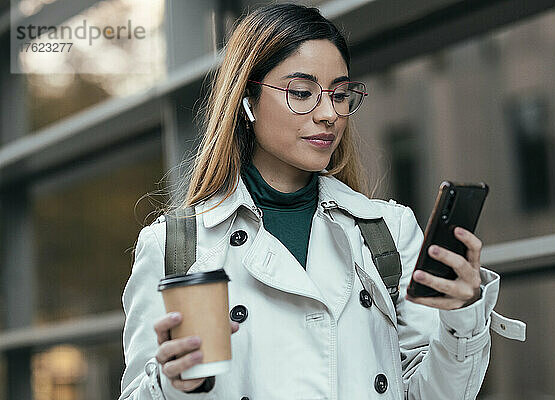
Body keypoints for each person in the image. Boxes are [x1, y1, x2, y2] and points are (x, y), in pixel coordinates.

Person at [119, 3, 523, 400]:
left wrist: (462, 319)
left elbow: (434, 394)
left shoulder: (387, 231)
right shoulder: (177, 245)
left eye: (341, 94)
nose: (329, 113)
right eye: (302, 92)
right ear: (246, 100)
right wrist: (171, 385)